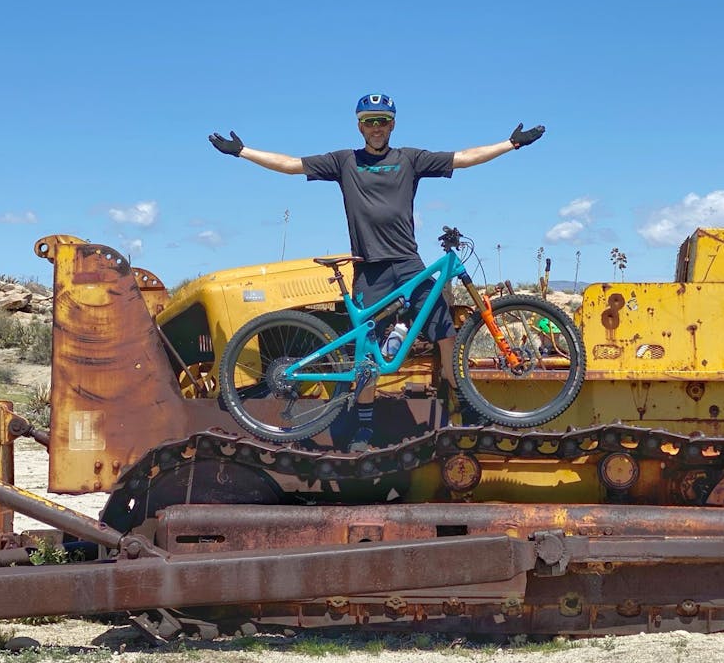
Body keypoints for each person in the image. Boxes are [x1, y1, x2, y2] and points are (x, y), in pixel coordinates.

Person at [210, 93, 545, 451]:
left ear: (393, 124)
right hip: (370, 270)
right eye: (369, 122)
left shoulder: (410, 159)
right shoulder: (344, 162)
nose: (376, 128)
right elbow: (291, 165)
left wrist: (511, 144)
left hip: (408, 264)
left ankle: (466, 408)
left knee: (447, 333)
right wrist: (242, 152)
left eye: (382, 121)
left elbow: (462, 159)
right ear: (359, 125)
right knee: (367, 354)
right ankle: (364, 431)